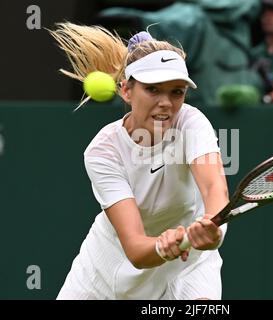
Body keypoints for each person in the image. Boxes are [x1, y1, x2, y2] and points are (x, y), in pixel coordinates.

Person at [49, 22, 229, 300]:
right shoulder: (103, 150)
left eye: (176, 92)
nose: (166, 102)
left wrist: (212, 226)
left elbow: (214, 188)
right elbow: (134, 247)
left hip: (187, 266)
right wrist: (162, 246)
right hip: (106, 272)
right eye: (153, 90)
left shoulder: (191, 123)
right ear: (126, 91)